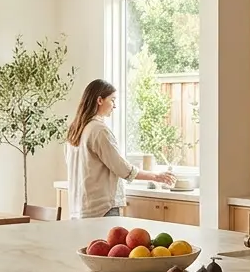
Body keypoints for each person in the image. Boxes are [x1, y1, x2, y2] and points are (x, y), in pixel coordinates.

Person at [64, 79, 174, 218]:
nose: (114, 106)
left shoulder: (74, 130)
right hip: (101, 209)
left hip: (79, 207)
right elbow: (122, 168)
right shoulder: (98, 130)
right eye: (112, 100)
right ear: (99, 100)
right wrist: (155, 176)